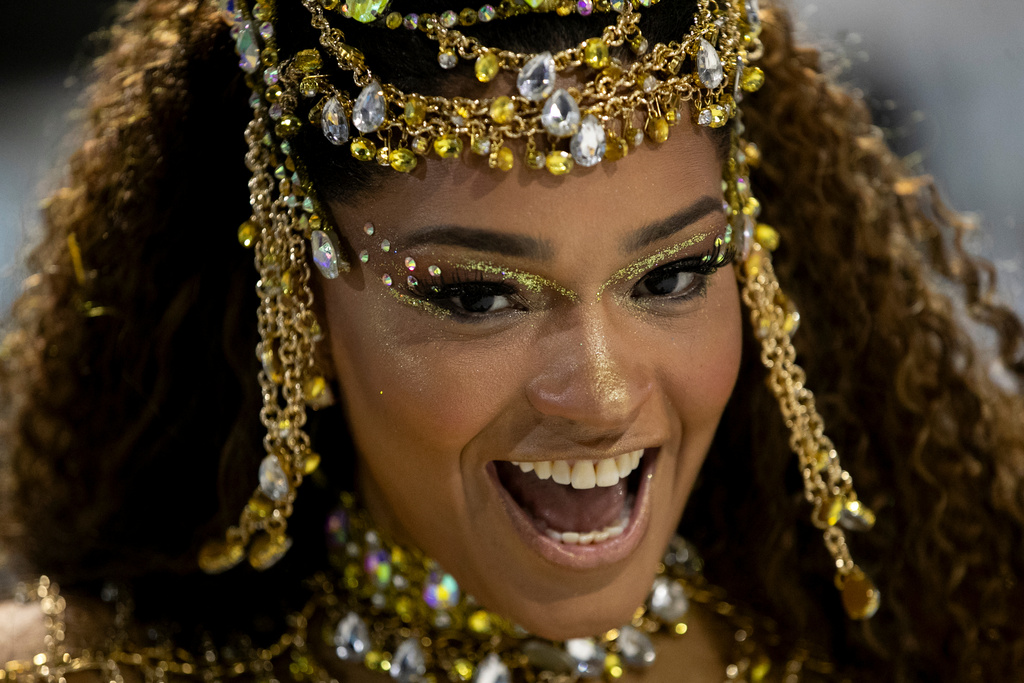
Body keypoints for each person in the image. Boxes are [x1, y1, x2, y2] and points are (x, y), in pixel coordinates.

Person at [1, 0, 1022, 680]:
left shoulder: (953, 624)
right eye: (480, 297)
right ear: (293, 304)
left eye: (669, 277)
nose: (603, 392)